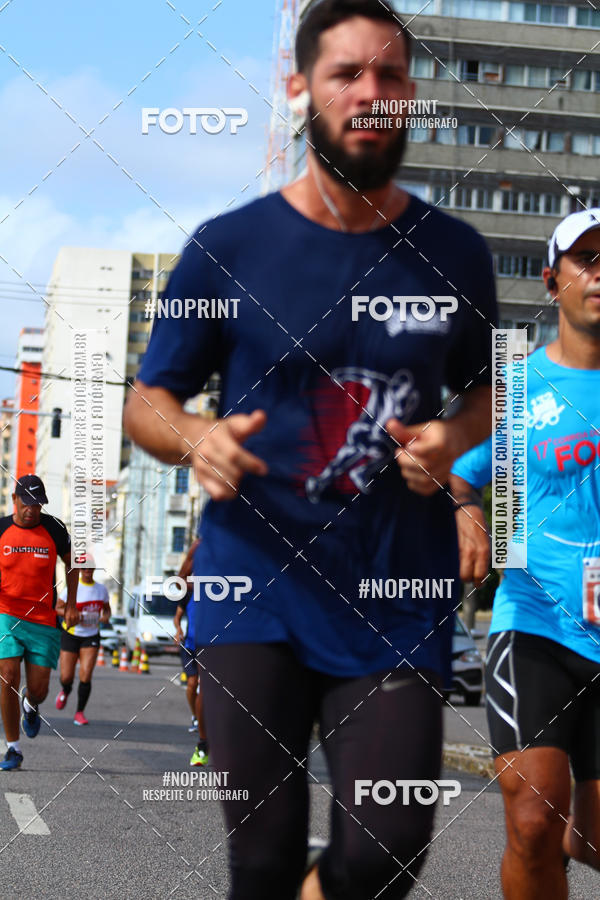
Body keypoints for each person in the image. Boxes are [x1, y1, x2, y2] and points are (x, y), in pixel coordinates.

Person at [123, 1, 497, 896]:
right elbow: (149, 402)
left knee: (388, 851)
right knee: (262, 860)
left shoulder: (456, 253)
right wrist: (198, 439)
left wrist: (451, 436)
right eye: (346, 75)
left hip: (394, 599)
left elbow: (491, 391)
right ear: (300, 91)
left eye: (391, 76)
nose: (372, 94)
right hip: (253, 591)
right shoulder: (226, 250)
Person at [450, 208, 600, 899]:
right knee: (533, 817)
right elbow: (457, 468)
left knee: (591, 836)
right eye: (587, 259)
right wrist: (468, 512)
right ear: (552, 280)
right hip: (535, 622)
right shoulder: (516, 386)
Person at [0, 475, 78, 770]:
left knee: (39, 688)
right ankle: (13, 748)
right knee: (8, 675)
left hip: (43, 618)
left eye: (38, 504)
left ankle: (31, 706)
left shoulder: (55, 528)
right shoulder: (2, 529)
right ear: (14, 499)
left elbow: (71, 562)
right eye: (27, 503)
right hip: (6, 613)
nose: (32, 510)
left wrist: (70, 603)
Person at [55, 559, 111, 725]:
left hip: (91, 635)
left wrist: (105, 617)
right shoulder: (72, 589)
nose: (87, 570)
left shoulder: (101, 590)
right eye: (84, 568)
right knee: (66, 676)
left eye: (90, 568)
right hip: (71, 633)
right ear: (79, 570)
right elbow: (57, 608)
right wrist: (72, 615)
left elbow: (107, 609)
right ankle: (66, 689)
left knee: (86, 675)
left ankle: (80, 712)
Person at [172, 537, 210, 765]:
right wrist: (178, 630)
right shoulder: (189, 591)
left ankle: (208, 736)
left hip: (215, 642)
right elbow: (178, 582)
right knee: (194, 685)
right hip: (191, 643)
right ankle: (201, 732)